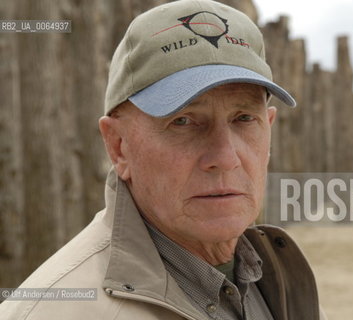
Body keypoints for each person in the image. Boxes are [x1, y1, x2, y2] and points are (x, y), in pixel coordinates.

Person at [0, 0, 327, 319]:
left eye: (243, 118)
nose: (226, 158)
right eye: (183, 121)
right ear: (118, 146)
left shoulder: (273, 279)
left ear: (268, 129)